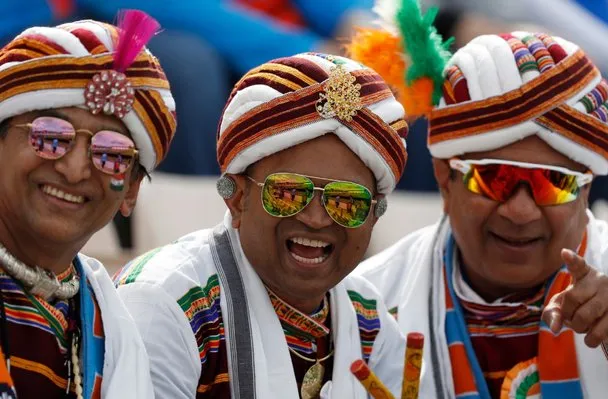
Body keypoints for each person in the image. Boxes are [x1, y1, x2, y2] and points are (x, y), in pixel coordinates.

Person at [348, 0, 608, 397]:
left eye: (553, 182)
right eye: (492, 178)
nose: (520, 211)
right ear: (443, 179)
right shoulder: (368, 303)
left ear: (584, 191)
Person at [113, 52, 417, 398]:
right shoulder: (167, 302)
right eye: (288, 193)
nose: (316, 219)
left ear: (375, 215)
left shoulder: (369, 319)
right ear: (237, 197)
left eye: (346, 202)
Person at [0, 10, 177, 398]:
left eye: (111, 154)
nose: (75, 169)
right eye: (49, 136)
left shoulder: (109, 321)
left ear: (131, 191)